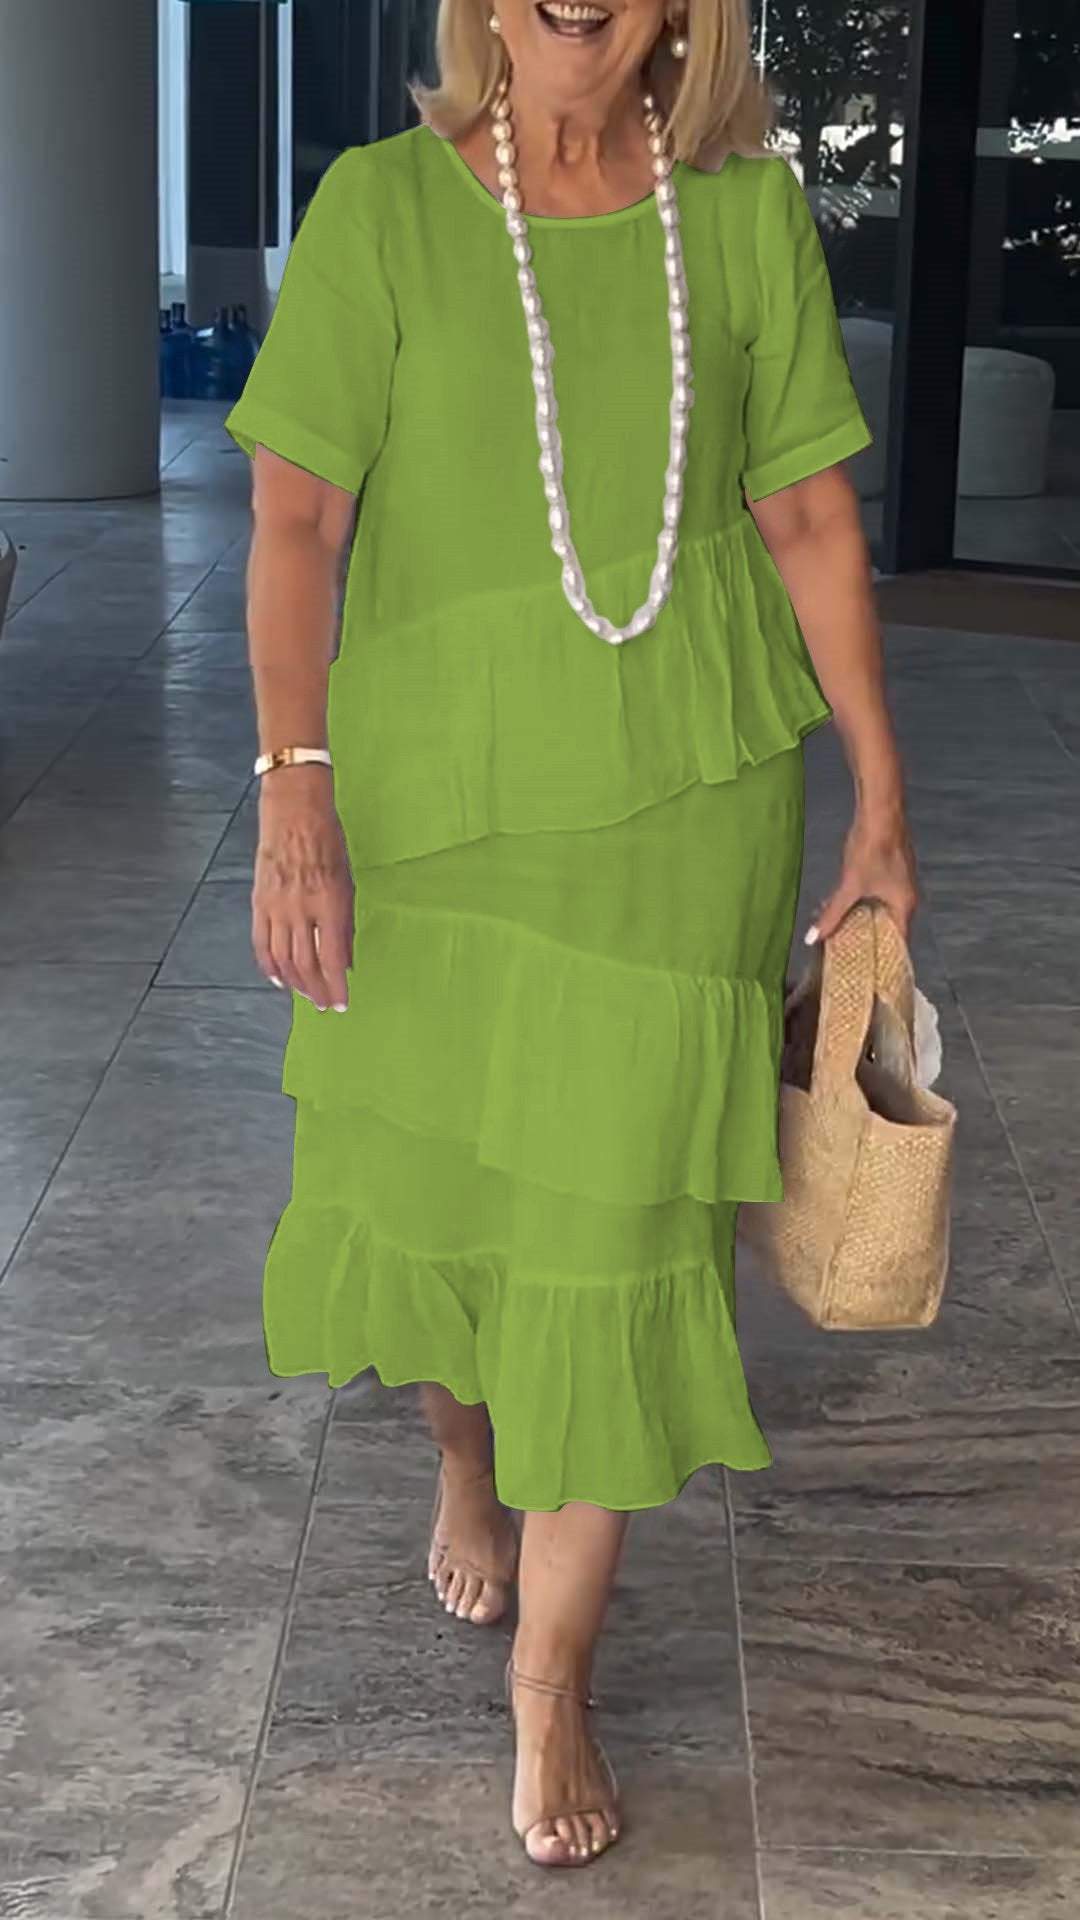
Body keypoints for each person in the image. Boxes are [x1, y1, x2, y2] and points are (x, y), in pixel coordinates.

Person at [225, 0, 917, 1872]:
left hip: (680, 820)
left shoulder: (744, 217)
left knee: (614, 1234)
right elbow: (295, 516)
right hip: (434, 821)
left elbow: (807, 512)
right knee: (454, 1212)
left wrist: (879, 794)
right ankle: (466, 1456)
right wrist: (295, 785)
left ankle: (554, 1677)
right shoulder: (383, 209)